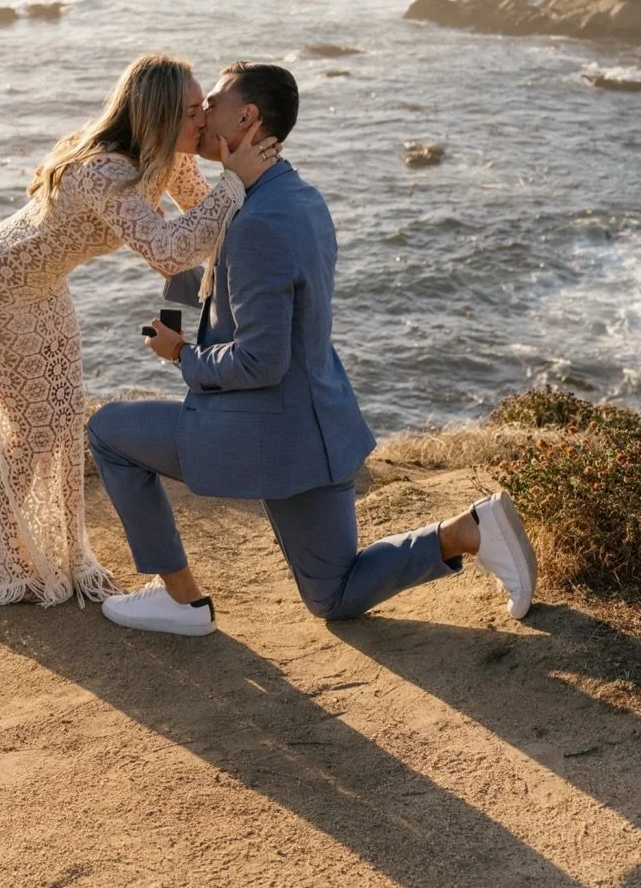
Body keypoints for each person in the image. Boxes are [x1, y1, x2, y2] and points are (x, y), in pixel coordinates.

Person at [88, 62, 537, 636]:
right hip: (316, 425)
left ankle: (182, 602)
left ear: (247, 118)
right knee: (333, 595)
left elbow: (259, 360)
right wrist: (175, 323)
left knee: (109, 434)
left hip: (260, 431)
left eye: (214, 104)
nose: (200, 116)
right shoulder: (294, 196)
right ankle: (468, 531)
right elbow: (205, 259)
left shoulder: (256, 222)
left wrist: (183, 357)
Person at [0, 54, 280, 609]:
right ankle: (1, 558)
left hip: (43, 285)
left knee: (60, 419)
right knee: (32, 426)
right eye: (190, 112)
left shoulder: (168, 159)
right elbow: (167, 247)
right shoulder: (102, 171)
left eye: (205, 106)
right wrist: (235, 181)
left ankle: (56, 554)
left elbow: (204, 219)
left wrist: (245, 180)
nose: (202, 121)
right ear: (156, 116)